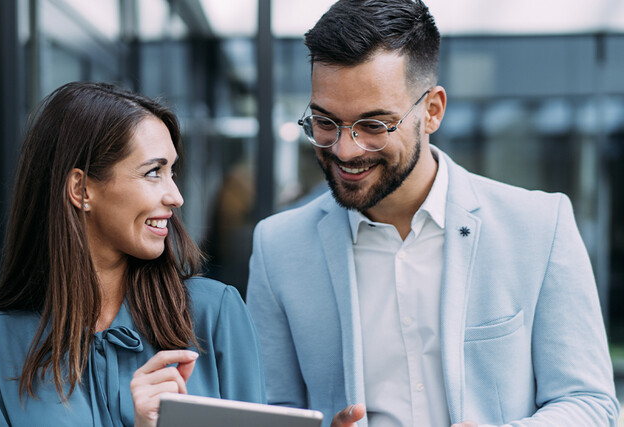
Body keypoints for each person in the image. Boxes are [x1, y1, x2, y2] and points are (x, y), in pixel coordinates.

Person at [245, 1, 619, 426]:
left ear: (433, 111)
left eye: (374, 125)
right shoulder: (278, 247)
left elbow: (590, 403)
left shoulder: (539, 226)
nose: (345, 150)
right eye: (325, 122)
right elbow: (271, 411)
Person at [0, 82, 265, 427]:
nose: (175, 196)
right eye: (153, 172)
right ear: (81, 189)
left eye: (172, 172)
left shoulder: (214, 314)